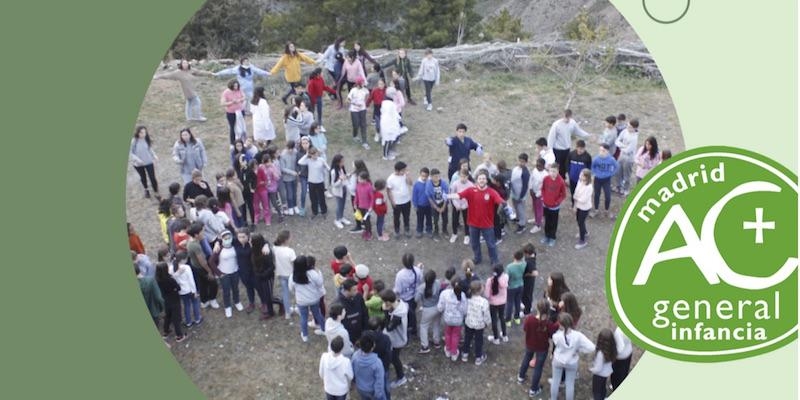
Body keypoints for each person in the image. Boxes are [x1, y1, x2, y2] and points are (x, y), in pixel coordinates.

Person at [447, 170, 510, 265]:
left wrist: (505, 205)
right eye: (480, 178)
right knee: (474, 243)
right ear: (476, 180)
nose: (482, 180)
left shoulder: (492, 192)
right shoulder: (471, 191)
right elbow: (458, 195)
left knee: (491, 244)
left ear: (486, 180)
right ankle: (477, 258)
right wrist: (447, 196)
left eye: (484, 178)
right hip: (473, 224)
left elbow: (499, 200)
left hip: (487, 224)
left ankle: (494, 260)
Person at [550, 313, 595, 400]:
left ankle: (553, 398)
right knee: (570, 384)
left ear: (561, 324)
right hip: (572, 362)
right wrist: (578, 350)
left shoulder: (557, 336)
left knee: (555, 381)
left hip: (558, 360)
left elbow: (555, 342)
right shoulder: (578, 336)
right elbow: (591, 347)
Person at [518, 299, 558, 397]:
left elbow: (525, 329)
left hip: (530, 344)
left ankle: (521, 376)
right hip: (542, 348)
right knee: (538, 367)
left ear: (537, 308)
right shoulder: (549, 324)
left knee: (526, 358)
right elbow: (552, 335)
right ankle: (533, 389)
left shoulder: (529, 319)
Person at [290, 255, 326, 342]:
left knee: (303, 317)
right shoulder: (313, 274)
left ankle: (305, 335)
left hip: (301, 301)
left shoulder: (293, 276)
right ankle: (324, 329)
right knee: (317, 313)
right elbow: (320, 284)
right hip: (314, 299)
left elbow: (291, 288)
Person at [547, 109, 591, 179]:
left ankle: (563, 179)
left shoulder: (572, 123)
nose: (567, 119)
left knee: (565, 165)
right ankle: (559, 179)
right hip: (558, 149)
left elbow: (578, 131)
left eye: (568, 118)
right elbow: (551, 138)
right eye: (565, 117)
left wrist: (588, 135)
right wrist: (550, 150)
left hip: (567, 148)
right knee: (559, 166)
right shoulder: (556, 125)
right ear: (563, 116)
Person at [210, 231, 244, 318]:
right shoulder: (219, 249)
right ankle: (227, 306)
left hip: (235, 271)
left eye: (229, 238)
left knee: (235, 288)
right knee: (226, 291)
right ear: (222, 239)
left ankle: (237, 301)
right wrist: (219, 273)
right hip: (224, 274)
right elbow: (211, 261)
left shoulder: (235, 246)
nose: (228, 240)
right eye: (225, 238)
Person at [185, 222, 219, 309]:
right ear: (196, 235)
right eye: (202, 232)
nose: (203, 233)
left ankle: (204, 301)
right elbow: (202, 261)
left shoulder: (191, 241)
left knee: (202, 284)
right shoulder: (196, 246)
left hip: (195, 265)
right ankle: (212, 299)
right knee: (213, 283)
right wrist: (209, 271)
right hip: (201, 267)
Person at [380, 289, 409, 388]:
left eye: (384, 301)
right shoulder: (399, 303)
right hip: (396, 337)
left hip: (398, 340)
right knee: (394, 357)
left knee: (394, 358)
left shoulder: (398, 315)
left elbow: (389, 328)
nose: (383, 304)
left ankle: (401, 377)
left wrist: (385, 312)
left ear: (388, 302)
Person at [155, 262, 187, 342]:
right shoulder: (170, 279)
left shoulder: (157, 279)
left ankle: (166, 331)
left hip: (166, 299)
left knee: (168, 315)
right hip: (174, 299)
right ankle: (179, 335)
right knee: (176, 317)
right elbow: (178, 288)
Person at [393, 253, 423, 337]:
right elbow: (420, 280)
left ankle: (409, 329)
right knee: (412, 311)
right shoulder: (417, 270)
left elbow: (398, 290)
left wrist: (392, 292)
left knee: (407, 314)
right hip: (415, 296)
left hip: (405, 298)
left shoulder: (400, 275)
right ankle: (413, 329)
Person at [437, 278, 467, 361]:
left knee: (447, 334)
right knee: (455, 335)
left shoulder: (444, 293)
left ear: (451, 284)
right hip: (458, 321)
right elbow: (464, 310)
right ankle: (454, 353)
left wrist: (440, 310)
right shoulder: (463, 295)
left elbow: (440, 307)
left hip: (447, 319)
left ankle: (448, 349)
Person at [169, 251, 202, 327]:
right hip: (189, 290)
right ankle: (197, 319)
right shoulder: (186, 268)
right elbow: (191, 280)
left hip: (181, 291)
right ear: (182, 259)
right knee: (195, 303)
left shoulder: (171, 268)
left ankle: (188, 321)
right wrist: (194, 291)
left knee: (186, 305)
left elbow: (172, 277)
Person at [461, 280, 491, 365]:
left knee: (467, 338)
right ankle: (478, 357)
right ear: (480, 290)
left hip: (469, 323)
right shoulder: (484, 302)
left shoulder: (468, 300)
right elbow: (486, 314)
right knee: (479, 340)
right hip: (479, 325)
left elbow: (464, 310)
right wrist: (487, 323)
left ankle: (465, 354)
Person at [298, 147, 330, 218]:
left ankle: (324, 211)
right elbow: (299, 162)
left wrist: (328, 170)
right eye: (313, 155)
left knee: (322, 198)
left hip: (320, 182)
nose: (315, 156)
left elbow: (328, 168)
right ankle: (314, 212)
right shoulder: (308, 161)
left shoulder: (321, 160)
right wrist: (306, 155)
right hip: (311, 182)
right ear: (310, 155)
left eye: (316, 154)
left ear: (317, 153)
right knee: (313, 198)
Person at [352, 335, 387, 400]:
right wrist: (378, 395)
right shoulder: (377, 362)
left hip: (360, 388)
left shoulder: (355, 356)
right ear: (372, 348)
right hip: (372, 391)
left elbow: (352, 371)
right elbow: (379, 381)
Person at [250, 233, 276, 319]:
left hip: (267, 278)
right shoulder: (254, 249)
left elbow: (272, 267)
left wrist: (262, 275)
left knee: (269, 296)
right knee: (266, 295)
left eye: (251, 240)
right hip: (259, 276)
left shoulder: (266, 253)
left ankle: (273, 310)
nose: (249, 241)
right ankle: (270, 311)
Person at [319, 336, 354, 400]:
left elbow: (321, 373)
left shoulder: (324, 356)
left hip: (328, 388)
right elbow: (350, 376)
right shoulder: (346, 361)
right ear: (342, 348)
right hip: (341, 391)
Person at [130, 126, 160, 199]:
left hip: (148, 162)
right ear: (138, 133)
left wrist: (154, 156)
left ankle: (156, 191)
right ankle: (146, 189)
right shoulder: (134, 141)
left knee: (152, 177)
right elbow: (131, 152)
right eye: (141, 133)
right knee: (143, 177)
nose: (144, 134)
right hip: (138, 164)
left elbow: (149, 149)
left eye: (145, 132)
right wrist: (137, 159)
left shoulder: (146, 139)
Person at [416, 269, 442, 354]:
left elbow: (416, 299)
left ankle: (425, 346)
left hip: (427, 309)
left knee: (423, 326)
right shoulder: (438, 283)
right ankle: (437, 342)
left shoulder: (422, 287)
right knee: (436, 325)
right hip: (438, 307)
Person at [540, 164, 566, 247]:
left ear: (558, 171)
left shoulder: (561, 181)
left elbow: (563, 195)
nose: (552, 173)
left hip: (554, 207)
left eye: (554, 171)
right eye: (550, 171)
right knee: (547, 221)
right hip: (546, 205)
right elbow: (543, 189)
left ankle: (552, 237)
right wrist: (543, 198)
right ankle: (546, 235)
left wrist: (557, 202)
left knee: (553, 223)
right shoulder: (546, 179)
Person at [590, 143, 618, 219]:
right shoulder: (596, 159)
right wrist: (594, 173)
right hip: (597, 179)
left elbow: (616, 167)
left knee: (608, 196)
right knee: (596, 195)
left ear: (607, 151)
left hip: (606, 180)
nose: (601, 152)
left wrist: (611, 174)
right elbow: (592, 166)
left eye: (603, 150)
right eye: (600, 150)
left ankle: (606, 210)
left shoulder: (611, 159)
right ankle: (596, 210)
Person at [273, 230, 297, 319]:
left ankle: (287, 312)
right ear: (286, 240)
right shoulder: (290, 251)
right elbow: (294, 263)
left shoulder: (275, 249)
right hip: (291, 275)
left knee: (285, 293)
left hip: (281, 274)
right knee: (297, 292)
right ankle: (298, 308)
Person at [386, 161, 413, 239]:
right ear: (397, 170)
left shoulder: (404, 175)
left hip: (407, 200)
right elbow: (389, 191)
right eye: (403, 170)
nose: (405, 171)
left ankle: (407, 229)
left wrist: (408, 176)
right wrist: (392, 201)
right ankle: (397, 230)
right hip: (397, 202)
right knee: (396, 217)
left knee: (406, 216)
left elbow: (410, 183)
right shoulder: (390, 179)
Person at [338, 279, 369, 344]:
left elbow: (365, 313)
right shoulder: (338, 304)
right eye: (354, 290)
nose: (357, 291)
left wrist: (365, 330)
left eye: (356, 289)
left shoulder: (358, 296)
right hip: (348, 336)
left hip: (360, 331)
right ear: (347, 291)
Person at [614, 118, 640, 195]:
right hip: (621, 155)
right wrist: (624, 146)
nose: (628, 128)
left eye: (630, 127)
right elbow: (617, 141)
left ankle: (626, 189)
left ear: (635, 128)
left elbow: (628, 150)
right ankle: (618, 186)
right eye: (628, 126)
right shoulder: (625, 131)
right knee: (618, 171)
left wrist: (621, 146)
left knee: (626, 174)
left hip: (629, 158)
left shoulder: (634, 138)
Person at [484, 264, 508, 345]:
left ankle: (496, 338)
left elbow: (487, 295)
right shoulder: (505, 277)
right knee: (502, 317)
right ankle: (504, 335)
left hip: (493, 303)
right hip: (503, 302)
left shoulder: (489, 281)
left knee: (494, 319)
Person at [591, 329, 617, 400]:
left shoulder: (600, 354)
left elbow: (598, 369)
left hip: (599, 375)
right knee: (602, 388)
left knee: (597, 392)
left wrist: (591, 369)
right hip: (606, 373)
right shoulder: (613, 349)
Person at [448, 168, 473, 244]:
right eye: (461, 176)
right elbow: (452, 194)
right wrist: (456, 204)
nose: (463, 178)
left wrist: (465, 205)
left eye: (464, 176)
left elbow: (471, 197)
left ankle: (467, 235)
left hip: (466, 205)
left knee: (466, 220)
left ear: (467, 176)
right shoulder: (455, 183)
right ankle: (454, 234)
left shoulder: (470, 185)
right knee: (454, 220)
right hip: (456, 205)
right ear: (459, 176)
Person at [307, 68, 336, 132]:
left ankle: (320, 126)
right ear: (318, 74)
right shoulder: (311, 82)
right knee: (312, 113)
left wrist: (334, 91)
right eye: (321, 72)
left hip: (319, 98)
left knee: (319, 112)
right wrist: (313, 101)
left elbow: (324, 87)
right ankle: (312, 126)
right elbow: (310, 93)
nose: (322, 73)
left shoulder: (321, 79)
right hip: (313, 99)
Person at [220, 80, 247, 145]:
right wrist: (232, 102)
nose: (236, 87)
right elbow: (222, 103)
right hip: (231, 113)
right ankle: (233, 142)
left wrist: (240, 100)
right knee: (232, 127)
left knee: (241, 125)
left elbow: (244, 97)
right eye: (234, 86)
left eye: (237, 86)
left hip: (240, 111)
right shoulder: (226, 92)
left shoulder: (240, 90)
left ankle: (242, 140)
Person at [424, 168, 449, 240]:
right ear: (431, 177)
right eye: (435, 177)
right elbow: (429, 198)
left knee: (445, 219)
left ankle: (444, 230)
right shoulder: (428, 185)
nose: (437, 178)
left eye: (438, 176)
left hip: (443, 203)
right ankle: (436, 231)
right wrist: (436, 208)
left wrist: (444, 206)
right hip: (434, 205)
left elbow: (446, 195)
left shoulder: (443, 183)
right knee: (435, 220)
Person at [346, 76, 370, 149]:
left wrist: (365, 104)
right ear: (359, 83)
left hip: (362, 109)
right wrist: (353, 103)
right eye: (362, 83)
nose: (364, 84)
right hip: (354, 109)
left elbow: (367, 97)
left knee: (363, 125)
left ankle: (364, 142)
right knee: (356, 124)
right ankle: (355, 135)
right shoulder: (353, 90)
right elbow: (348, 99)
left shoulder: (365, 90)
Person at [573, 169, 594, 249]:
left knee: (581, 222)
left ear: (586, 177)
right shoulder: (580, 182)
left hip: (585, 207)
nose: (580, 176)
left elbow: (584, 199)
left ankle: (582, 241)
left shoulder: (589, 187)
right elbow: (576, 192)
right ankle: (585, 232)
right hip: (578, 205)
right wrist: (575, 204)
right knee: (578, 220)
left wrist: (577, 200)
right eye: (580, 174)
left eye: (582, 175)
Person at [510, 153, 531, 234]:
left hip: (520, 195)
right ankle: (517, 218)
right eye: (519, 161)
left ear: (526, 162)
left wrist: (521, 196)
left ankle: (522, 225)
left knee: (521, 209)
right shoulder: (515, 169)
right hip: (514, 193)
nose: (520, 163)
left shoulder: (525, 173)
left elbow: (525, 186)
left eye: (522, 162)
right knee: (515, 207)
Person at [504, 250, 526, 327]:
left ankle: (508, 320)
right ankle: (517, 318)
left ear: (514, 257)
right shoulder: (524, 264)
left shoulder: (510, 267)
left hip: (511, 287)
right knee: (518, 302)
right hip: (520, 285)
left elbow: (506, 277)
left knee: (510, 303)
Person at [379, 87, 401, 161]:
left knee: (393, 138)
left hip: (390, 123)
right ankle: (385, 155)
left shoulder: (386, 102)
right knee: (387, 140)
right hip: (388, 124)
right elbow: (392, 114)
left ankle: (390, 152)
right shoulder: (389, 104)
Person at [611, 326, 633, 392]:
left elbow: (619, 348)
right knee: (625, 371)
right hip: (629, 351)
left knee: (617, 375)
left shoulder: (619, 332)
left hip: (620, 357)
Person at [412, 167, 432, 238]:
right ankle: (419, 230)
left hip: (429, 205)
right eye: (422, 176)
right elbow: (414, 195)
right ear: (420, 175)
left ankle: (429, 230)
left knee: (429, 218)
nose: (424, 178)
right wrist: (415, 205)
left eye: (425, 176)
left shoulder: (430, 183)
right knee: (420, 219)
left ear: (428, 176)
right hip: (420, 206)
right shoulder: (417, 184)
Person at [355, 171, 375, 241]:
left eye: (360, 179)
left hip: (367, 208)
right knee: (362, 220)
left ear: (365, 179)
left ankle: (369, 232)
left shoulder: (369, 187)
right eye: (358, 179)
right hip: (360, 206)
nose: (358, 180)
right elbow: (356, 195)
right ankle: (366, 231)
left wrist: (371, 207)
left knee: (367, 221)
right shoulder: (358, 185)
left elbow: (372, 198)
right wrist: (355, 203)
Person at [521, 243, 539, 315]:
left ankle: (527, 311)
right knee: (528, 295)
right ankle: (528, 307)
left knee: (527, 295)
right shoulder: (533, 254)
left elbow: (535, 273)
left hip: (527, 281)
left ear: (527, 254)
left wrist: (527, 274)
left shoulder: (529, 262)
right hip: (530, 280)